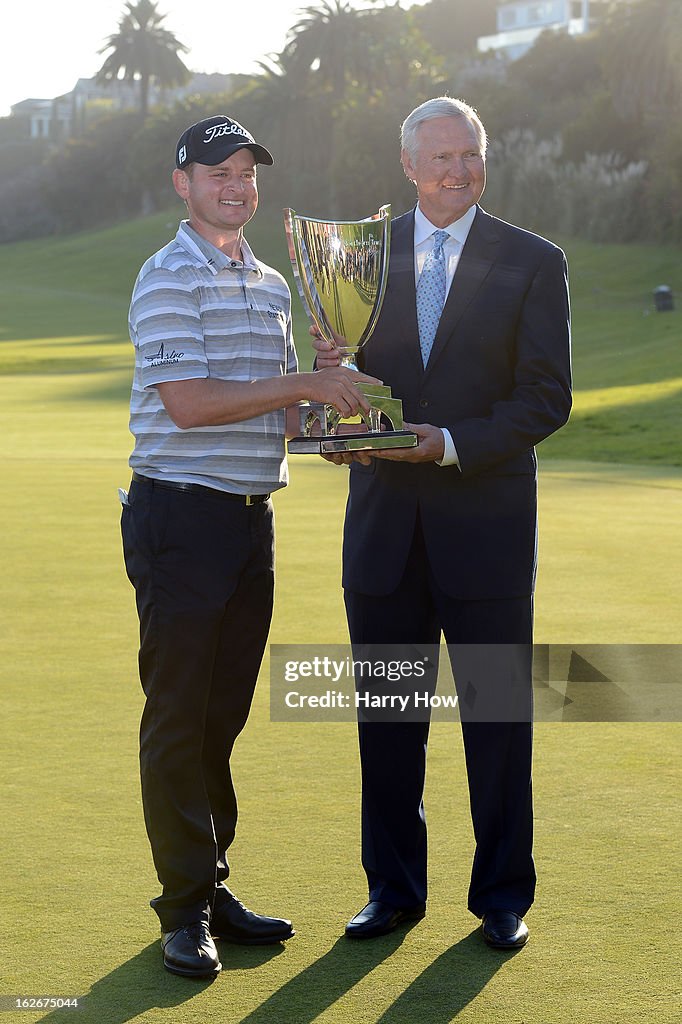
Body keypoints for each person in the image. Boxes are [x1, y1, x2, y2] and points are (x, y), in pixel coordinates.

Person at [121, 114, 378, 978]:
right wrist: (304, 379)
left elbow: (275, 412)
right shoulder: (166, 276)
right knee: (178, 718)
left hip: (245, 521)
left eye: (246, 174)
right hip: (178, 520)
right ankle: (181, 909)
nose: (235, 186)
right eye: (217, 173)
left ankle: (209, 884)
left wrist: (328, 409)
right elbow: (189, 405)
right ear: (182, 184)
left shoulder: (270, 283)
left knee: (221, 720)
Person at [312, 96, 572, 949]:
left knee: (499, 724)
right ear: (408, 165)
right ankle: (392, 891)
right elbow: (343, 377)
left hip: (488, 534)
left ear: (483, 161)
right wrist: (338, 426)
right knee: (388, 726)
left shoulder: (534, 261)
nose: (456, 170)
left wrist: (453, 444)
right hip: (384, 534)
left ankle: (501, 896)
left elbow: (545, 397)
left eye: (470, 155)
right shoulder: (357, 257)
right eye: (440, 157)